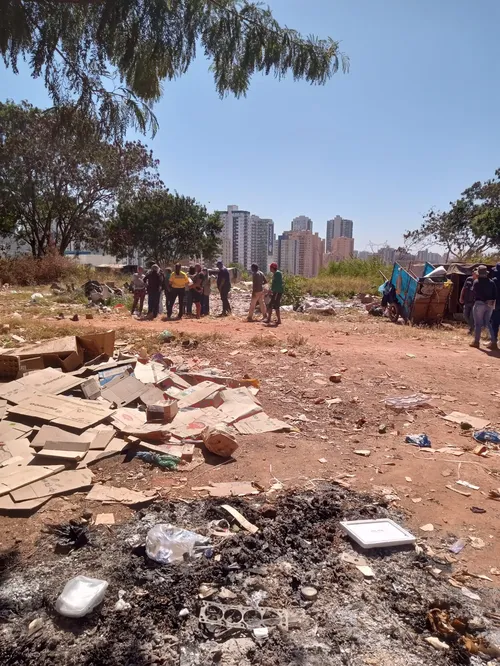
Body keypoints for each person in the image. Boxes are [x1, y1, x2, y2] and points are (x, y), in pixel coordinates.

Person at [470, 265, 497, 349]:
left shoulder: (476, 282)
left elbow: (474, 293)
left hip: (479, 304)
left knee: (478, 324)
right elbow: (495, 294)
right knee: (488, 322)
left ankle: (476, 342)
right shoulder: (491, 282)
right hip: (490, 304)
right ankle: (493, 342)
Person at [459, 269, 477, 335]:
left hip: (474, 302)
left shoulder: (480, 281)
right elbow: (464, 289)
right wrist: (461, 297)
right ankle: (474, 327)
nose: (474, 273)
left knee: (472, 317)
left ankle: (471, 330)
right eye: (473, 272)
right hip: (467, 301)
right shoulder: (468, 279)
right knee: (465, 315)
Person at [488, 262, 500, 351]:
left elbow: (492, 294)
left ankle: (493, 342)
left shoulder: (494, 280)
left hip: (497, 304)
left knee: (494, 323)